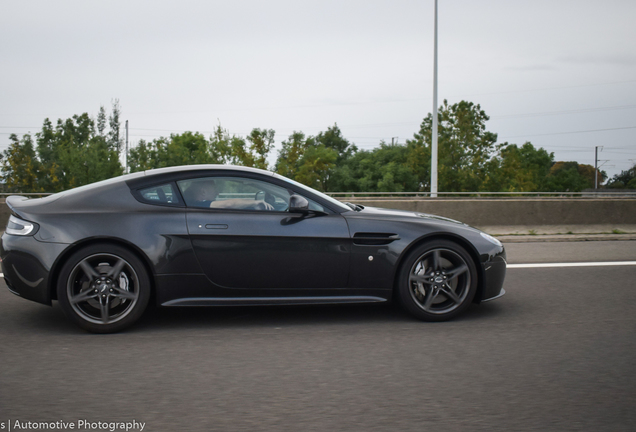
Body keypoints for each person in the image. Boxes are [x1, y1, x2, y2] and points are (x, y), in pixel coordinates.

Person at [185, 180, 274, 210]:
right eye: (215, 190)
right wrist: (255, 202)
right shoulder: (198, 205)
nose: (218, 193)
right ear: (203, 192)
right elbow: (229, 204)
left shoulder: (190, 205)